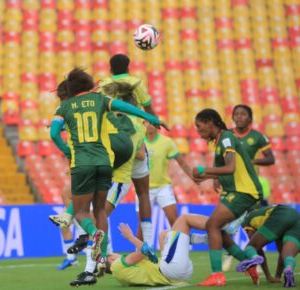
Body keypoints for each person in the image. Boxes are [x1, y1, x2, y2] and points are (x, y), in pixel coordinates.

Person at [50, 68, 162, 286]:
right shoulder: (105, 105)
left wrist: (66, 150)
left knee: (85, 213)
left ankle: (88, 242)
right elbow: (138, 151)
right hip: (106, 165)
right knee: (97, 210)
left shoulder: (67, 108)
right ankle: (93, 256)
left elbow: (54, 133)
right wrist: (151, 116)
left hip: (109, 171)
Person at [99, 53, 167, 246]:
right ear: (129, 67)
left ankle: (98, 240)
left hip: (114, 137)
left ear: (110, 68)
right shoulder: (136, 83)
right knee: (143, 192)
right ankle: (147, 243)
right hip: (136, 136)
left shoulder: (103, 84)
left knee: (110, 191)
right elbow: (148, 107)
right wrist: (156, 121)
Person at [191, 109, 263, 286]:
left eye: (199, 127)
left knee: (212, 225)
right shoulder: (220, 140)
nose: (198, 132)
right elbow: (228, 172)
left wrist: (204, 170)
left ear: (210, 122)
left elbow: (230, 168)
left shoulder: (226, 138)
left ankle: (217, 275)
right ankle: (249, 264)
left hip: (244, 191)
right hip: (235, 191)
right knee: (218, 231)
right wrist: (208, 177)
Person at [222, 104, 276, 271]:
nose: (239, 117)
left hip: (250, 187)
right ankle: (228, 256)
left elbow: (271, 159)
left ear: (250, 119)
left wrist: (252, 161)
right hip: (231, 186)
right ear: (232, 117)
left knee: (250, 225)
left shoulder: (258, 137)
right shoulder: (227, 135)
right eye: (236, 114)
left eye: (243, 114)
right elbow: (220, 156)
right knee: (226, 223)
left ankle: (255, 260)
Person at [107, 214, 210, 287]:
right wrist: (130, 237)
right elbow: (147, 251)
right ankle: (218, 224)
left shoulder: (120, 277)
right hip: (172, 270)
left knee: (163, 235)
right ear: (111, 257)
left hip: (171, 273)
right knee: (184, 219)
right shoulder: (118, 265)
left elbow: (153, 258)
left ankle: (205, 239)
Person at [236, 204, 300, 287]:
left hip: (280, 213)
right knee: (286, 253)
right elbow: (280, 251)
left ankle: (254, 257)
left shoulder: (248, 218)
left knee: (251, 247)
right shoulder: (264, 211)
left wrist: (268, 276)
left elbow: (257, 248)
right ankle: (288, 268)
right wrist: (277, 277)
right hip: (295, 215)